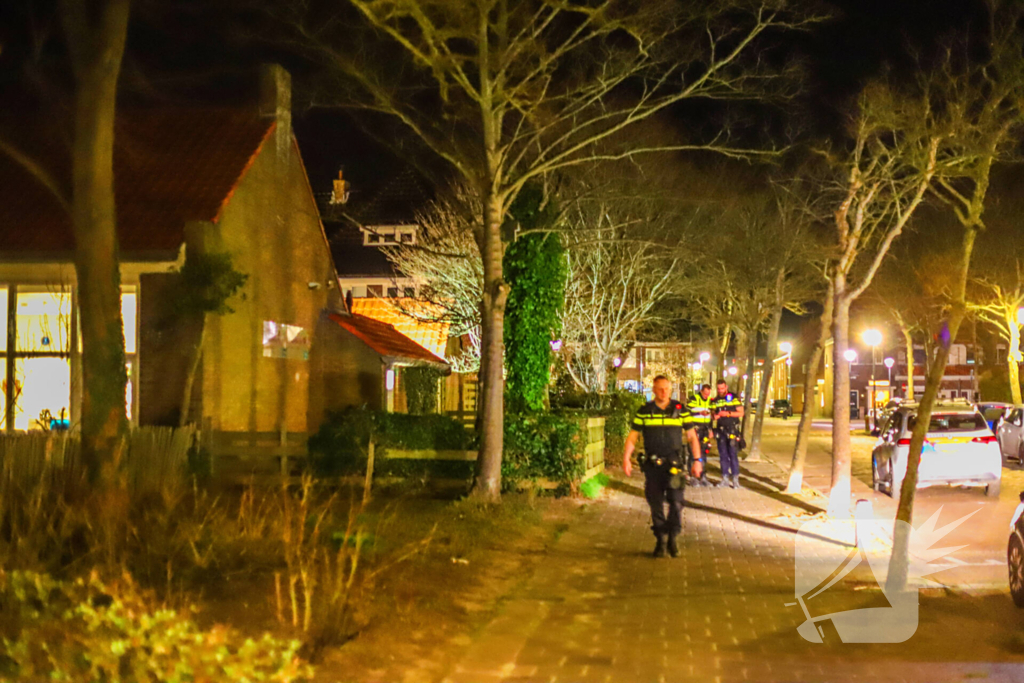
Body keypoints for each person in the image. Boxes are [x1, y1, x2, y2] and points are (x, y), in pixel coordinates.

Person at [623, 376, 703, 558]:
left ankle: (673, 537)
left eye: (667, 388)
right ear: (654, 390)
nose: (664, 392)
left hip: (674, 465)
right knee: (655, 503)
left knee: (676, 502)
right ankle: (660, 539)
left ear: (671, 389)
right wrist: (626, 458)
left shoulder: (680, 410)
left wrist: (697, 460)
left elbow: (692, 437)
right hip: (653, 466)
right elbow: (633, 436)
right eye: (660, 389)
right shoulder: (645, 411)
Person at [711, 379, 744, 488]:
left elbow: (741, 412)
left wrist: (727, 413)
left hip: (732, 430)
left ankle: (735, 480)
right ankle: (725, 478)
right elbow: (713, 414)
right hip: (721, 431)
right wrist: (715, 416)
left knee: (733, 455)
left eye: (722, 388)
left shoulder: (733, 398)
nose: (720, 390)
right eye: (719, 388)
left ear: (726, 387)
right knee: (723, 455)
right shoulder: (715, 400)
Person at [686, 383, 714, 487]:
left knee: (704, 452)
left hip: (705, 430)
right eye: (705, 393)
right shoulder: (694, 398)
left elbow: (710, 416)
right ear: (701, 391)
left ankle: (703, 476)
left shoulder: (710, 401)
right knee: (693, 452)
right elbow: (687, 411)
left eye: (708, 394)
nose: (706, 396)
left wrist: (711, 429)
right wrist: (699, 413)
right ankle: (693, 477)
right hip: (695, 429)